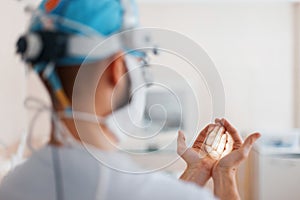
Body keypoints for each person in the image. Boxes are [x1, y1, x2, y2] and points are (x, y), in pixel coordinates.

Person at [0, 0, 260, 199]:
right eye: (140, 62)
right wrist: (225, 177)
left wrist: (194, 174)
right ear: (117, 68)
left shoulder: (11, 187)